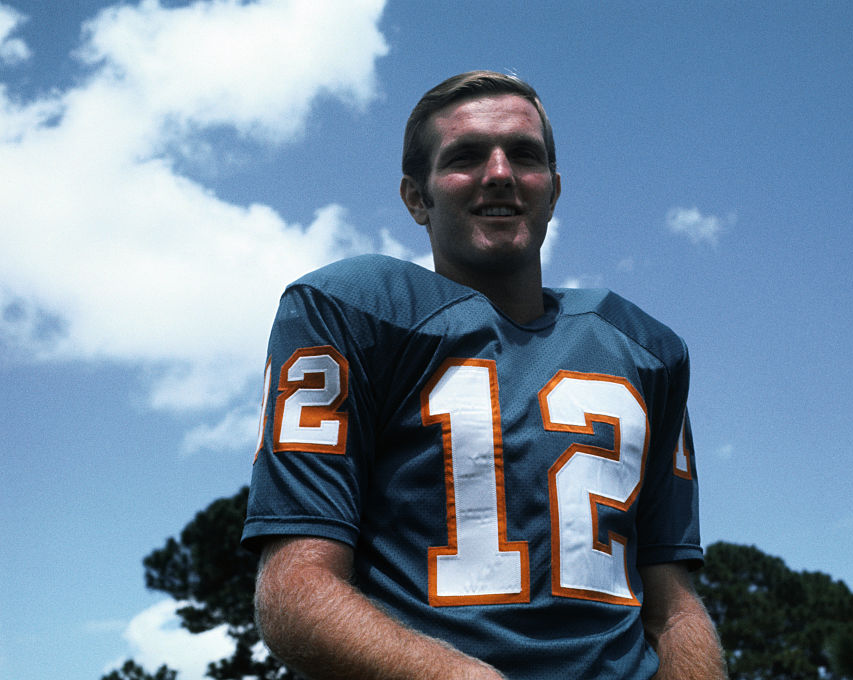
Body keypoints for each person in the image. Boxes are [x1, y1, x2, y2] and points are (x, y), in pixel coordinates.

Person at [242, 70, 726, 680]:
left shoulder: (644, 349)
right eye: (466, 157)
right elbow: (295, 588)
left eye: (524, 156)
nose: (499, 173)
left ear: (552, 189)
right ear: (417, 197)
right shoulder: (351, 309)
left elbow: (672, 602)